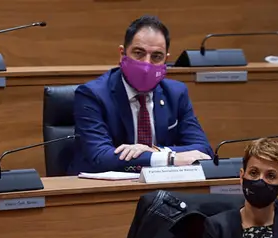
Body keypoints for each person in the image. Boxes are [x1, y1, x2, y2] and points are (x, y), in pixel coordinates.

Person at [68, 15, 213, 175]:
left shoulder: (176, 93)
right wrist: (168, 158)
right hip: (102, 186)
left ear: (166, 60)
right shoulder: (93, 94)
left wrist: (156, 151)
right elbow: (100, 156)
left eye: (156, 57)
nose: (146, 64)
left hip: (161, 183)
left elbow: (203, 149)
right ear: (122, 53)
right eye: (139, 53)